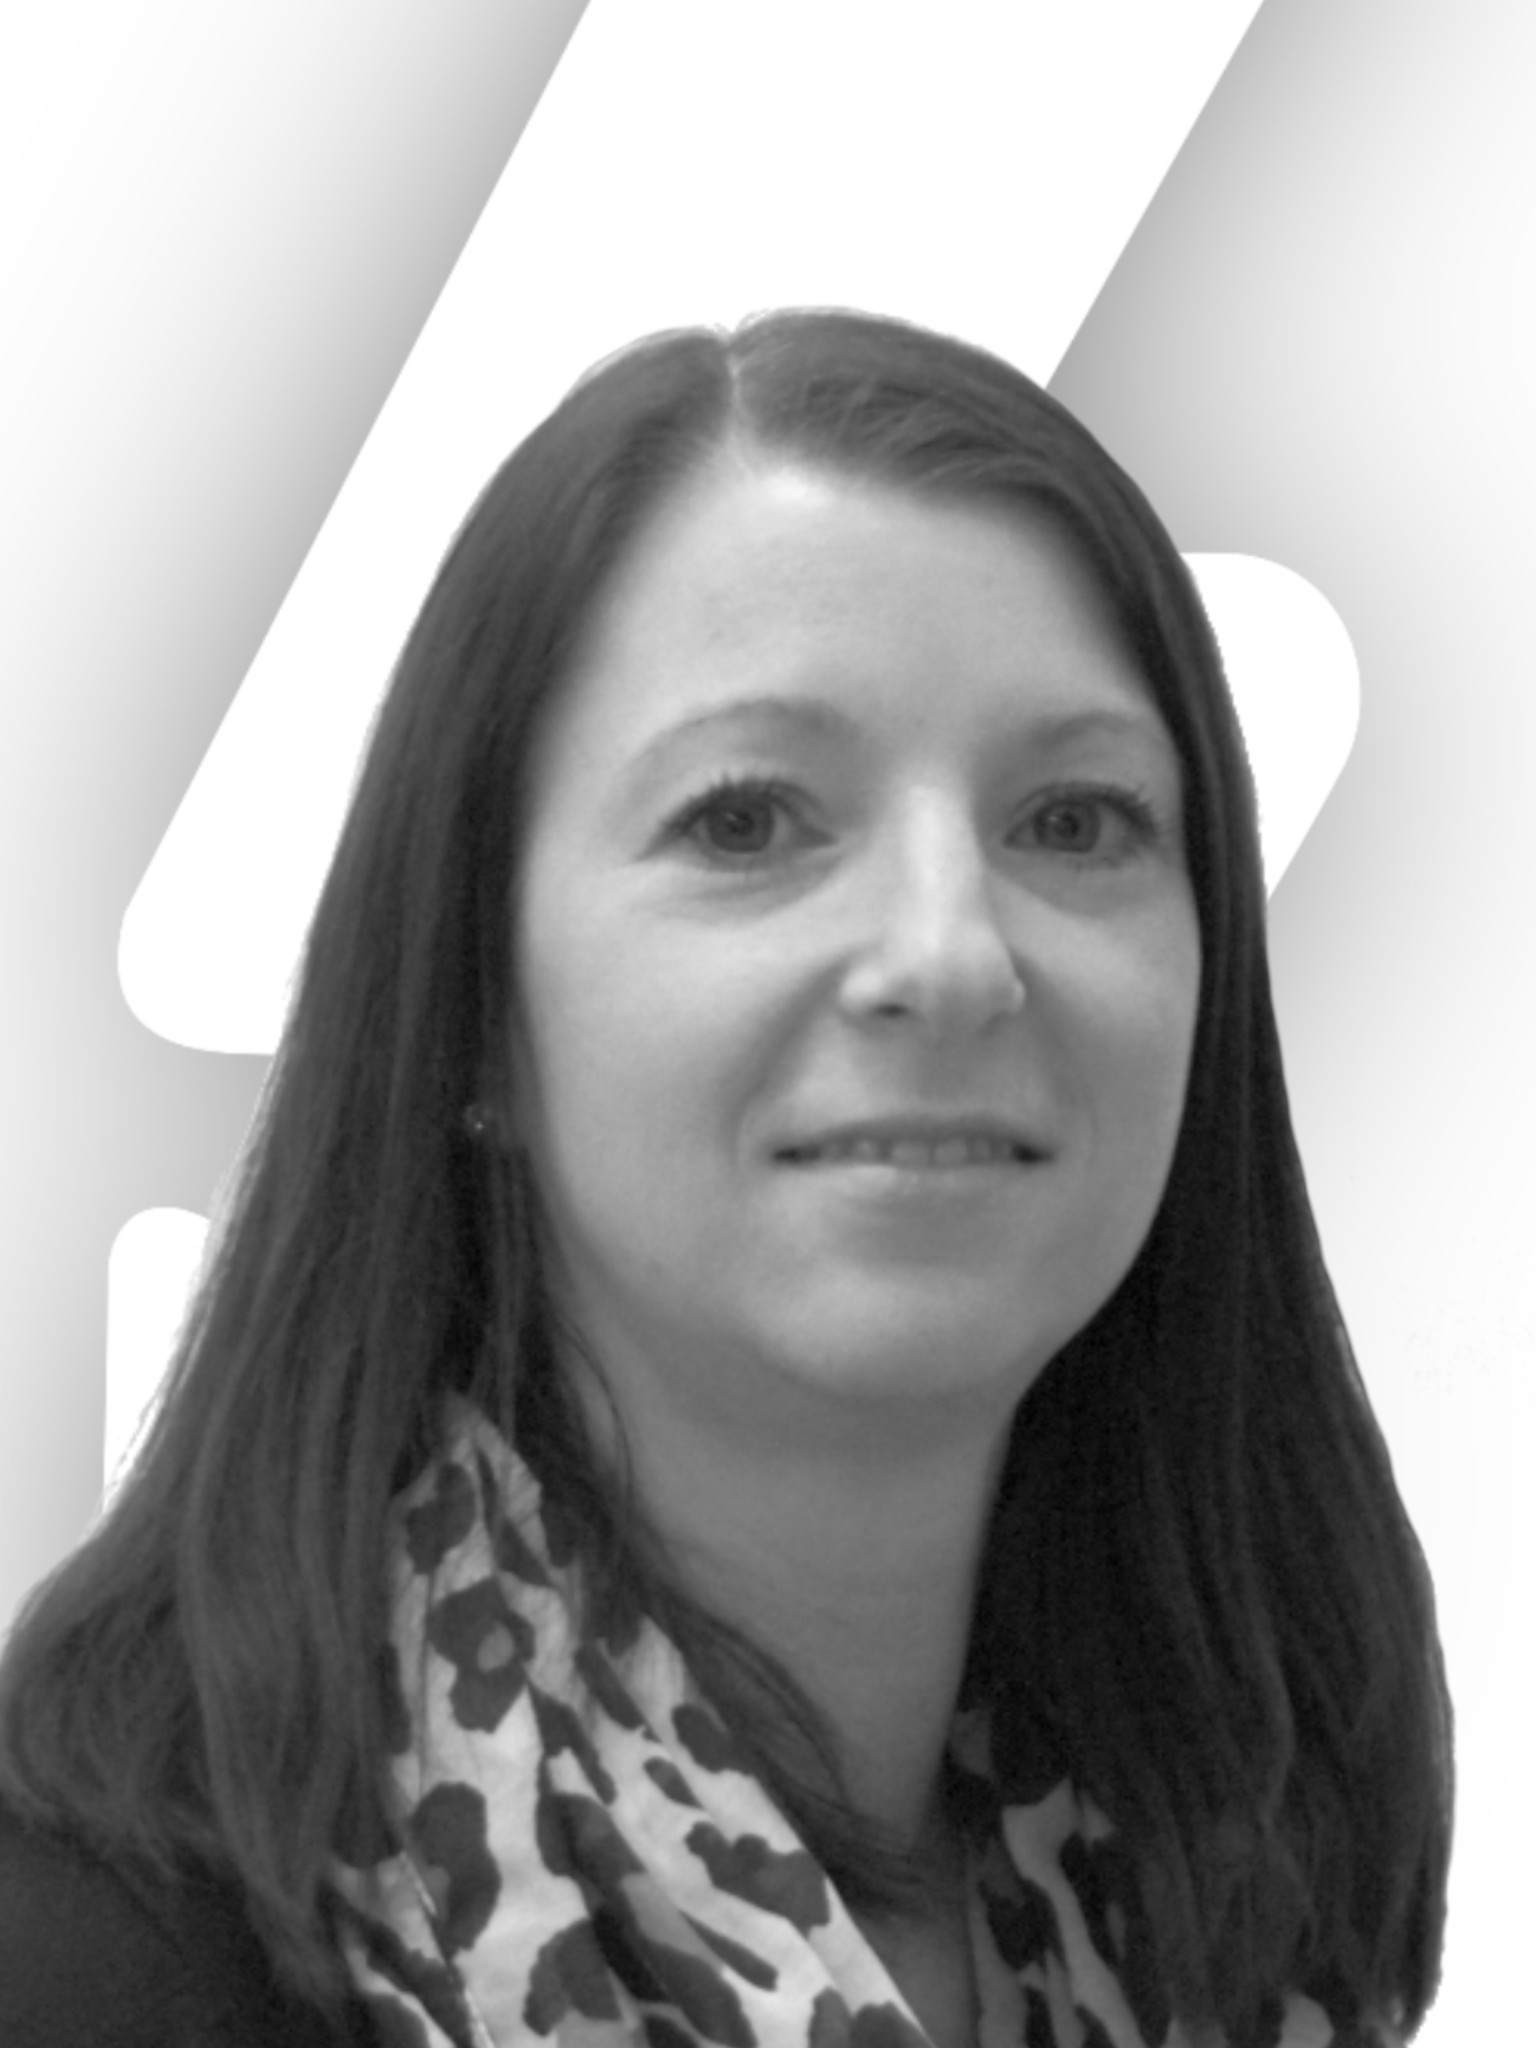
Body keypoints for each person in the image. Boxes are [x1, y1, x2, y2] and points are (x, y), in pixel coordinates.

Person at [0, 309, 1451, 2048]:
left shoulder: (1247, 1901)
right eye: (748, 820)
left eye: (1073, 822)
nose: (952, 953)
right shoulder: (83, 1955)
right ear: (469, 1005)